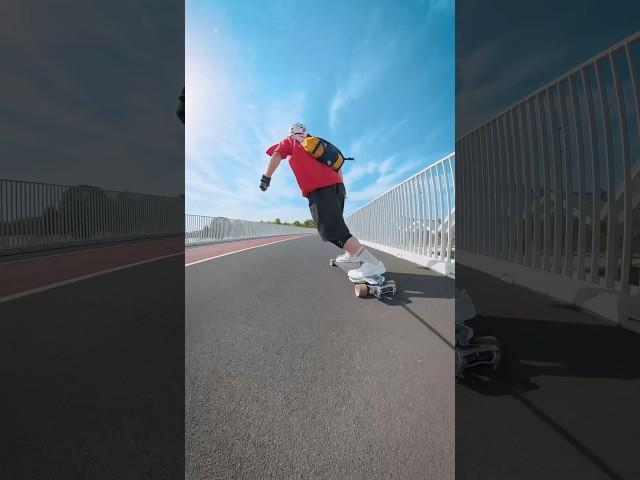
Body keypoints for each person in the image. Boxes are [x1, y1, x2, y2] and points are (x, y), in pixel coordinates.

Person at [260, 122, 385, 280]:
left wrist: (266, 178)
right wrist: (342, 188)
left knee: (332, 232)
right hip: (337, 187)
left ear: (291, 132)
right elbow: (337, 166)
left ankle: (373, 264)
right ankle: (351, 254)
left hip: (320, 189)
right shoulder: (316, 144)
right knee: (338, 226)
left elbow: (276, 155)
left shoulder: (290, 141)